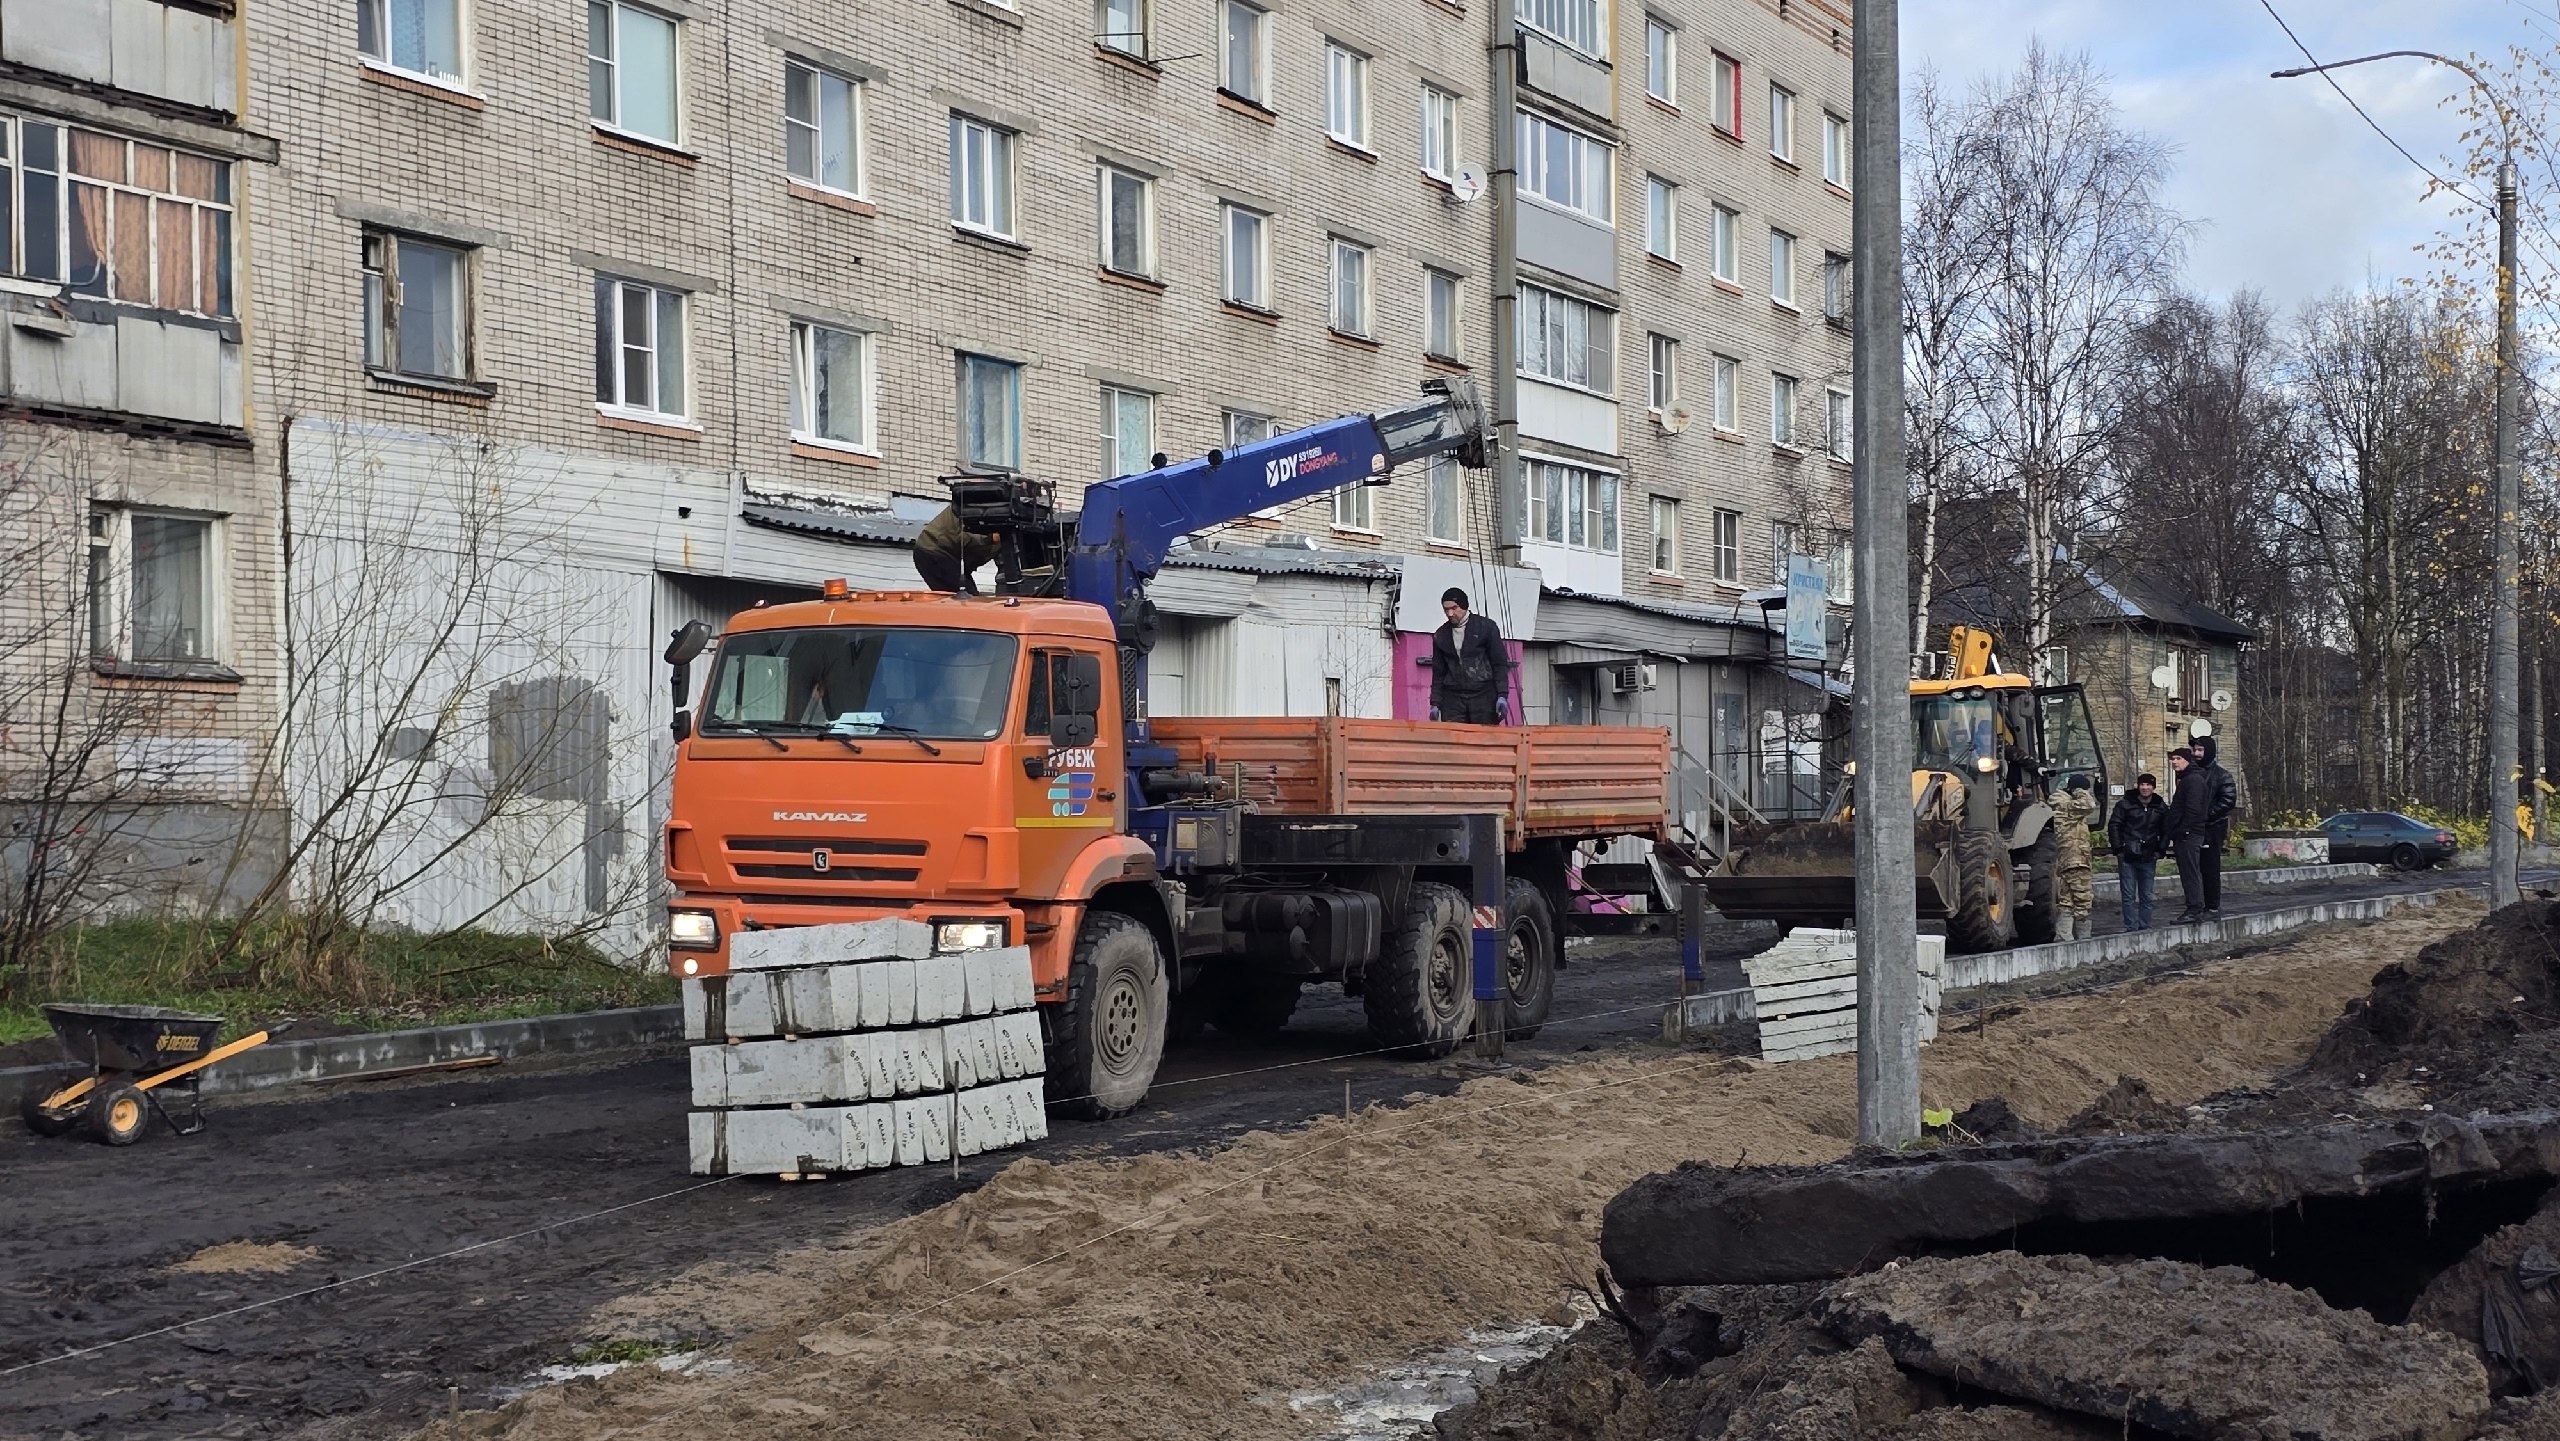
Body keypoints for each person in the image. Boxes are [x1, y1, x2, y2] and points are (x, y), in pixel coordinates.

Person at [1429, 587, 1511, 725]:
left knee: (1484, 736)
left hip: (1483, 695)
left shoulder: (1486, 628)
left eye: (1454, 608)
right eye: (1446, 609)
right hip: (1453, 698)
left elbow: (1499, 663)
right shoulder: (1441, 635)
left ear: (1464, 606)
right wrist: (1435, 703)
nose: (1450, 613)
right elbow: (1439, 672)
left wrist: (1502, 695)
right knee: (1454, 736)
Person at [2108, 772, 2169, 931]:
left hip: (2149, 856)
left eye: (2148, 785)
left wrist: (2160, 850)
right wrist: (2118, 849)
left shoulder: (2160, 806)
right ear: (2138, 786)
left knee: (2147, 895)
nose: (2145, 788)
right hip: (2127, 855)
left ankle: (2145, 926)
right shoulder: (2125, 804)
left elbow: (2166, 830)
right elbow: (2114, 825)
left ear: (2153, 787)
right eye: (2142, 784)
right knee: (2128, 895)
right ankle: (2130, 926)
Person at [2048, 775, 2096, 941]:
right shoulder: (2067, 806)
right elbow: (2089, 804)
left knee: (2067, 901)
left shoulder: (2062, 805)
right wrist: (2080, 790)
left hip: (2067, 860)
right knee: (2083, 900)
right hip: (2076, 860)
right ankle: (2084, 939)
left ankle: (2063, 936)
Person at [914, 505, 999, 595]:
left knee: (966, 597)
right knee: (967, 599)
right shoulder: (981, 507)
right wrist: (990, 538)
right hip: (935, 552)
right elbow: (960, 536)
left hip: (942, 553)